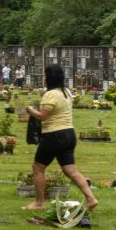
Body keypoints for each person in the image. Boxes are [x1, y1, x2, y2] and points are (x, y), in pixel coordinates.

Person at [24, 64, 98, 212]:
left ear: (49, 78)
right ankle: (91, 199)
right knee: (71, 170)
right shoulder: (66, 92)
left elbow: (42, 116)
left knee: (38, 168)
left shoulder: (51, 94)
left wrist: (30, 110)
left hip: (54, 135)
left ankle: (38, 202)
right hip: (69, 134)